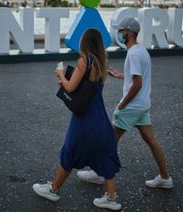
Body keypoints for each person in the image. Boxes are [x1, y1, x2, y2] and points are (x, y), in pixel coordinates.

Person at [77, 18, 174, 189]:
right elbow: (137, 76)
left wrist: (122, 104)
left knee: (109, 140)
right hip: (143, 105)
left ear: (130, 32)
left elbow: (137, 84)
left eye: (121, 31)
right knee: (150, 139)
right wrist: (121, 75)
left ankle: (99, 174)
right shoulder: (141, 50)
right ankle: (165, 177)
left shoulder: (133, 54)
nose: (119, 34)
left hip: (131, 107)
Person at [32, 28, 122, 211]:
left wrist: (60, 75)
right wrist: (66, 81)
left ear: (85, 42)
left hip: (84, 118)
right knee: (105, 152)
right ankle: (112, 198)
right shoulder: (101, 61)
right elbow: (86, 86)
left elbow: (71, 88)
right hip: (100, 116)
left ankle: (53, 189)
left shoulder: (84, 60)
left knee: (70, 150)